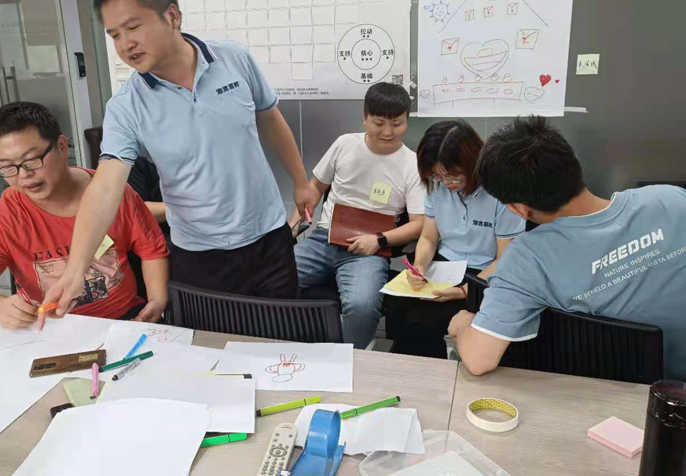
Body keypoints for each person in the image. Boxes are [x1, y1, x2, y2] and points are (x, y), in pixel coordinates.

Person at [40, 0, 316, 315]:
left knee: (282, 340)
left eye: (133, 27)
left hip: (269, 239)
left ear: (172, 16)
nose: (125, 44)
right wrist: (77, 267)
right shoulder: (126, 106)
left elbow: (269, 117)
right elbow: (106, 188)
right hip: (200, 255)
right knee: (212, 346)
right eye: (114, 35)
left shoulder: (233, 59)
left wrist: (300, 181)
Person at [448, 117, 686, 380]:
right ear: (573, 163)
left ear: (519, 209)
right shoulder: (670, 200)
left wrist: (463, 323)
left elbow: (479, 360)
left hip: (609, 391)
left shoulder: (528, 258)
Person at [0, 102, 169, 329]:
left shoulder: (111, 192)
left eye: (32, 160)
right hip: (50, 330)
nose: (23, 175)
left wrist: (157, 300)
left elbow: (151, 250)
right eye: (6, 167)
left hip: (124, 320)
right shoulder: (4, 217)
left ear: (62, 147)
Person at [291, 83, 425, 349]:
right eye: (379, 123)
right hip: (322, 240)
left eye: (397, 124)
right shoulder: (345, 144)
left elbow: (419, 224)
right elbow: (315, 187)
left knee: (362, 305)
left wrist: (379, 240)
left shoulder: (413, 165)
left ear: (407, 121)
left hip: (369, 252)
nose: (387, 132)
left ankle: (351, 356)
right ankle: (290, 346)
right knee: (270, 279)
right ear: (365, 118)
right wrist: (292, 225)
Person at [390, 120, 525, 358]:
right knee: (400, 309)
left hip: (487, 272)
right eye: (437, 176)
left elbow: (506, 259)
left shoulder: (502, 192)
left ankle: (439, 372)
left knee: (424, 320)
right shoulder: (436, 186)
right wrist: (419, 266)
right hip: (447, 264)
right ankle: (414, 373)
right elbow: (429, 237)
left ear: (472, 163)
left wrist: (465, 291)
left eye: (452, 175)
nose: (446, 183)